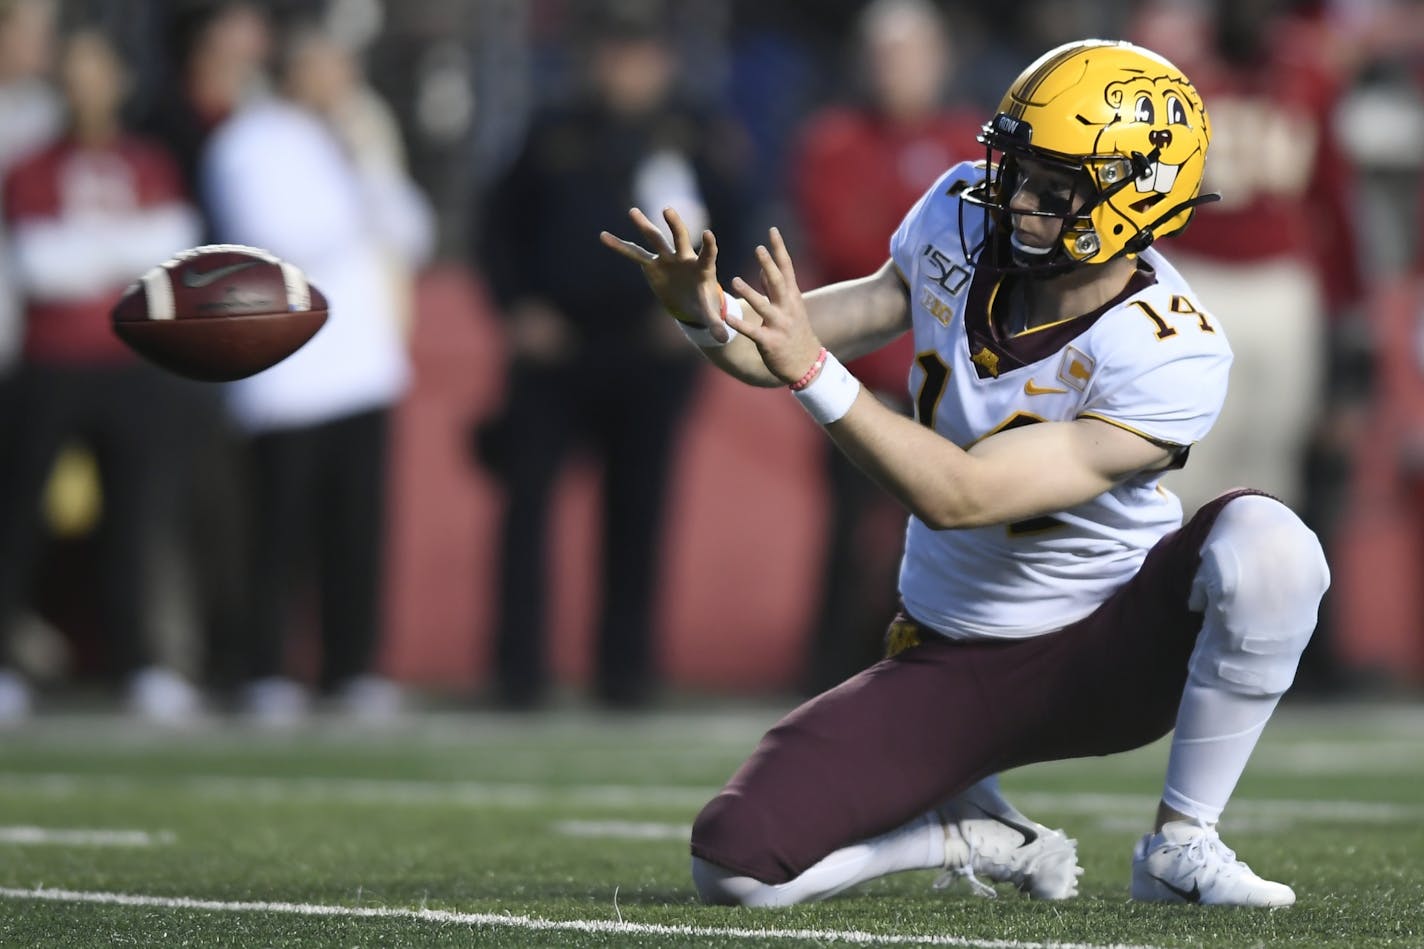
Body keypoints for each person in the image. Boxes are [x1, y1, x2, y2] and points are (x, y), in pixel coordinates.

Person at [602, 39, 1328, 906]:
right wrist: (707, 316)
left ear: (1137, 195)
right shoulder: (959, 211)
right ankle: (966, 834)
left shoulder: (1173, 347)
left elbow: (961, 493)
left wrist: (808, 370)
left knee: (1273, 545)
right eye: (1017, 167)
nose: (1018, 198)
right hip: (956, 653)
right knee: (737, 865)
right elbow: (804, 334)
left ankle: (1183, 840)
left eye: (1053, 185)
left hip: (1114, 648)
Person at [476, 3, 751, 709]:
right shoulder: (551, 131)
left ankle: (624, 672)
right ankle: (518, 672)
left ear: (662, 61)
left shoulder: (698, 136)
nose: (626, 69)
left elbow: (739, 234)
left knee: (639, 512)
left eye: (640, 54)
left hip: (650, 351)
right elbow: (497, 230)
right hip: (556, 349)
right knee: (528, 506)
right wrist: (517, 309)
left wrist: (702, 317)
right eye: (615, 54)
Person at [202, 20, 434, 724]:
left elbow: (412, 231)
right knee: (279, 531)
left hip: (363, 366)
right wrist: (355, 189)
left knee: (356, 531)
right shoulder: (251, 141)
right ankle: (266, 666)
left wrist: (365, 164)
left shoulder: (354, 142)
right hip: (287, 374)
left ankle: (350, 667)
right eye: (324, 67)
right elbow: (283, 240)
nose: (339, 82)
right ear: (293, 71)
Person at [0, 27, 204, 722]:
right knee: (19, 518)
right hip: (52, 364)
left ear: (120, 80)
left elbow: (174, 250)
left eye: (97, 70)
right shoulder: (31, 166)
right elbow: (40, 265)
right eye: (73, 71)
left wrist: (92, 253)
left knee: (137, 518)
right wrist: (122, 252)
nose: (84, 85)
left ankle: (141, 662)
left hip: (133, 367)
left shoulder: (149, 161)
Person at [789, 0, 985, 692]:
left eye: (910, 55)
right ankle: (832, 670)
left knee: (958, 526)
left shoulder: (970, 141)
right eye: (885, 57)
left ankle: (956, 660)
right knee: (849, 529)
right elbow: (846, 245)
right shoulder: (835, 140)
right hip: (860, 371)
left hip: (950, 376)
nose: (897, 71)